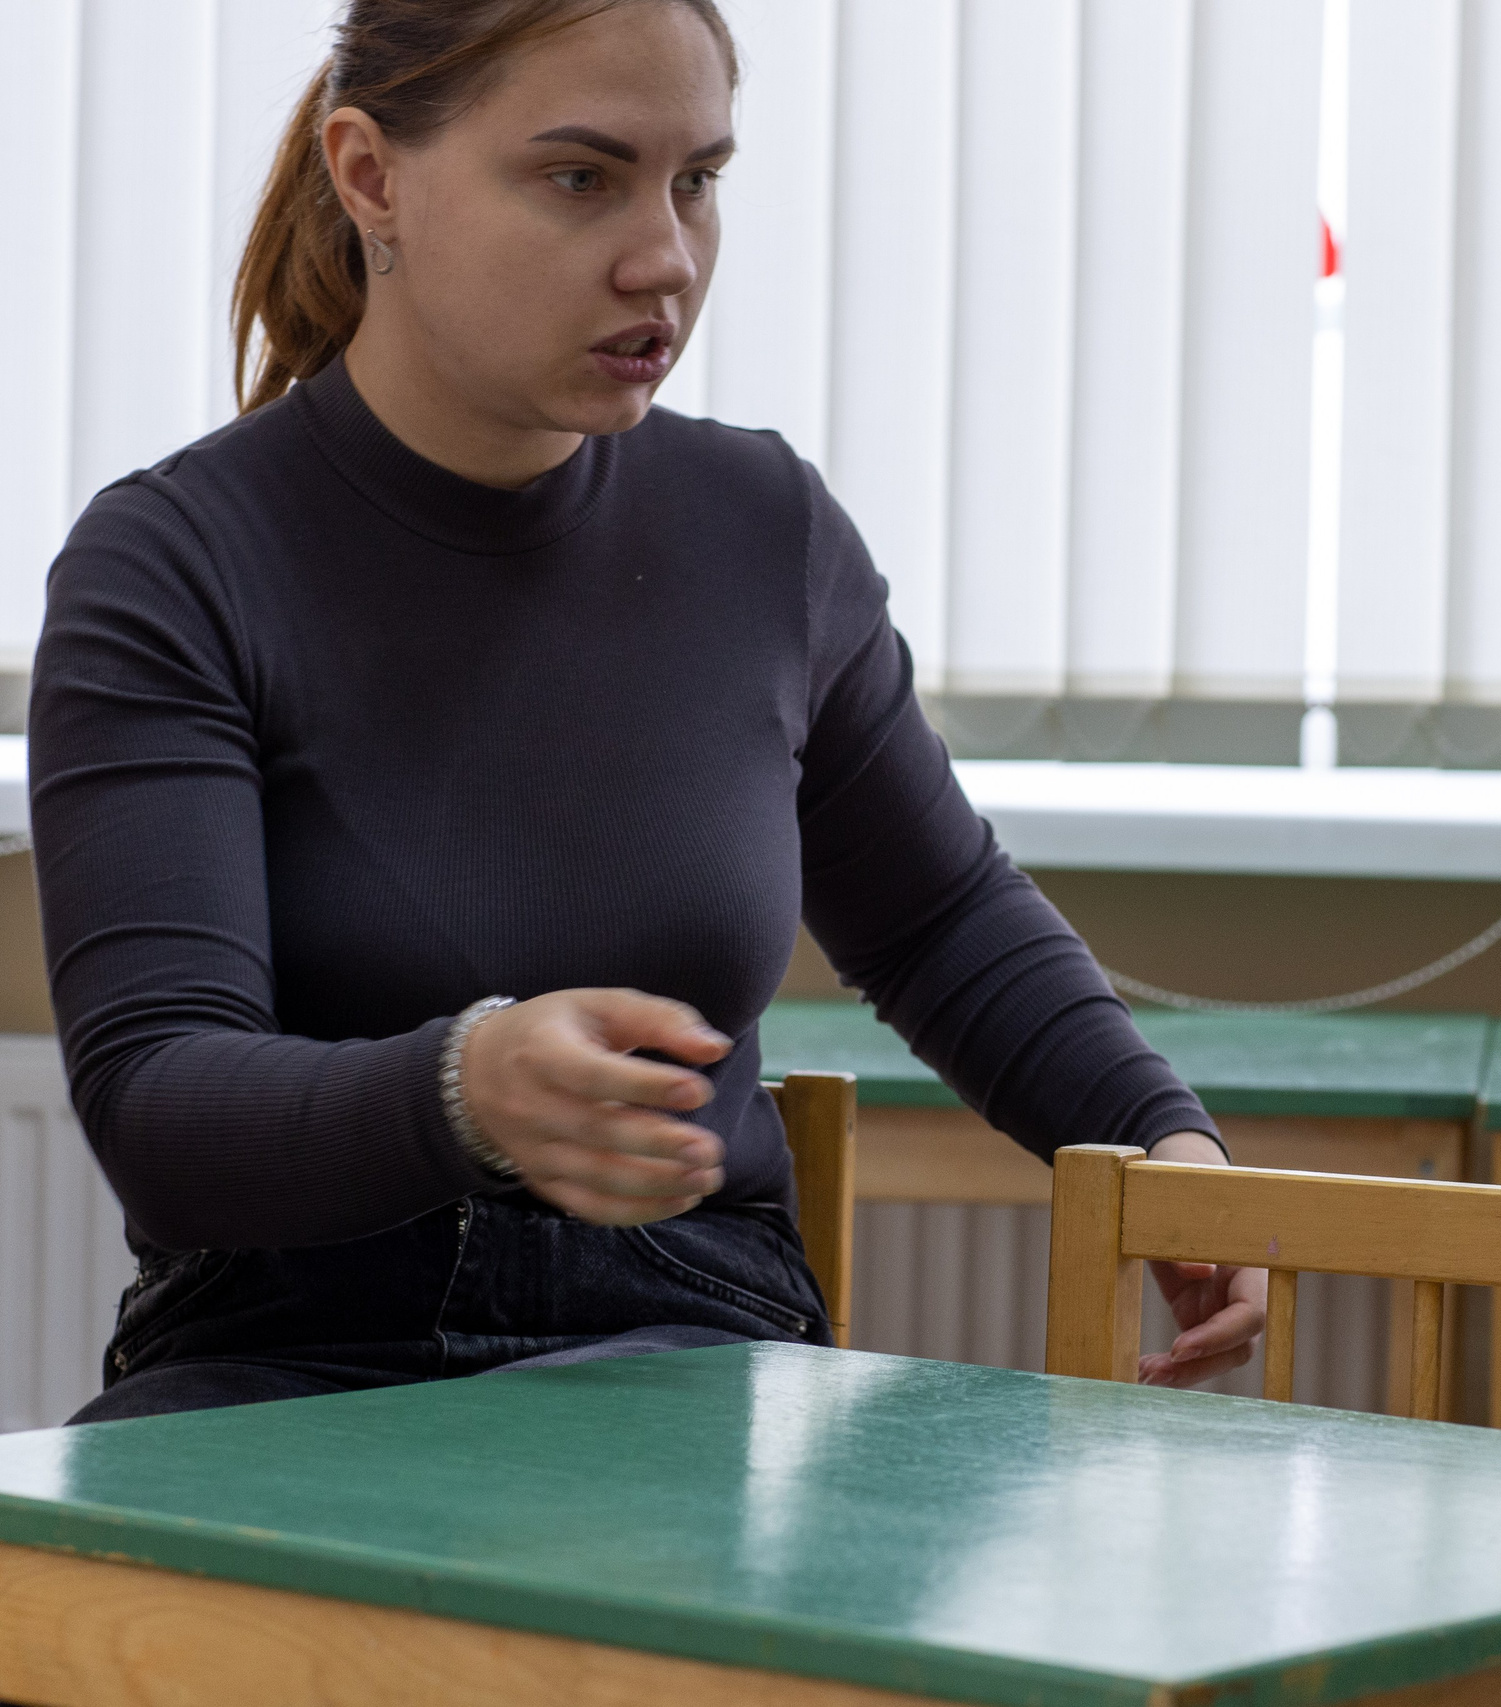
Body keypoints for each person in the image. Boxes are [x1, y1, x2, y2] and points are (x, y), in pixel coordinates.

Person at [33, 0, 1261, 1423]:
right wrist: (462, 1090)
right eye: (580, 178)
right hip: (280, 1364)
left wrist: (1160, 1139)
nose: (664, 258)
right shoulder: (172, 561)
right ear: (370, 176)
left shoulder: (763, 527)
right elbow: (161, 1102)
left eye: (697, 180)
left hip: (691, 1344)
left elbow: (943, 922)